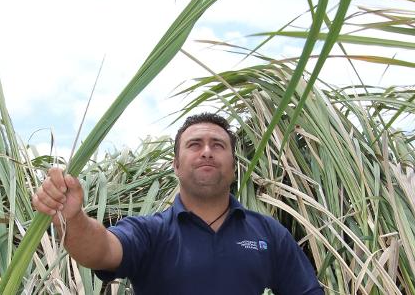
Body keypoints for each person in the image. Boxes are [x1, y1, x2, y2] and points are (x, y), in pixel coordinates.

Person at [32, 112, 323, 294]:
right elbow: (101, 250)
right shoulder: (150, 232)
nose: (206, 152)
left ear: (233, 167)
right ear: (176, 165)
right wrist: (73, 219)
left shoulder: (267, 233)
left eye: (218, 145)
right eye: (195, 145)